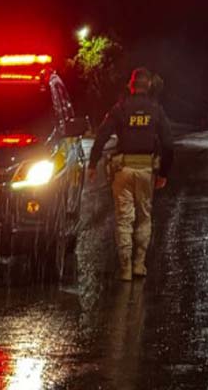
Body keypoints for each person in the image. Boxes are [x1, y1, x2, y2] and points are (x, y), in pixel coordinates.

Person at [87, 68, 173, 281]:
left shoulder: (120, 108)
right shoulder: (156, 109)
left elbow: (102, 135)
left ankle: (125, 268)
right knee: (144, 217)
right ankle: (138, 265)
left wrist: (92, 163)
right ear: (149, 86)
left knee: (124, 219)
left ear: (130, 86)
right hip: (146, 171)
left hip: (123, 171)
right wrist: (163, 173)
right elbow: (168, 143)